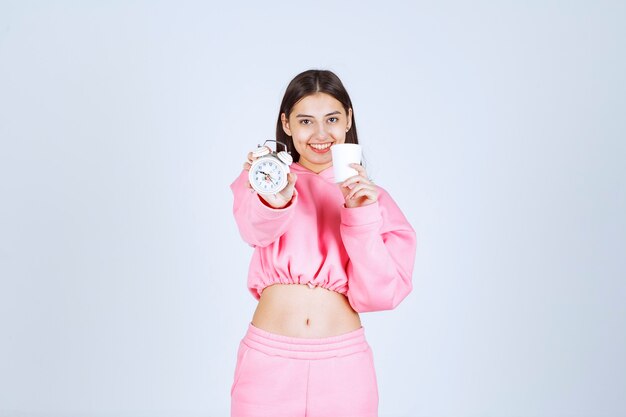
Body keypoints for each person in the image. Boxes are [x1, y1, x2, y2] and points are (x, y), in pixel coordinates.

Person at [229, 69, 417, 417]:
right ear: (286, 124)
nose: (320, 134)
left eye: (331, 118)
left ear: (348, 119)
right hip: (268, 366)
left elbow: (381, 294)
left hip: (343, 369)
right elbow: (255, 231)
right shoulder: (261, 181)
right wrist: (277, 197)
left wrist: (360, 215)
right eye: (305, 121)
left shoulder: (374, 201)